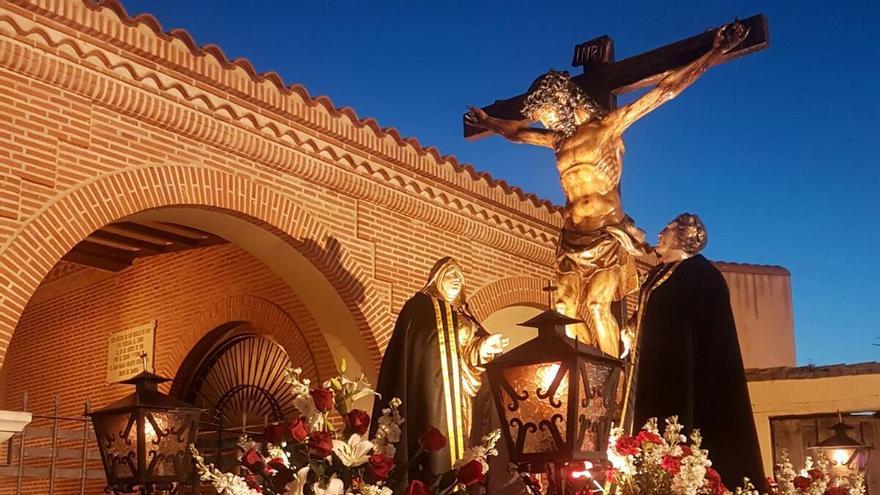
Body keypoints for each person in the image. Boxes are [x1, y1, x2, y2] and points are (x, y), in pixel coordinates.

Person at [465, 22, 749, 359]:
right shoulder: (557, 141)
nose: (549, 123)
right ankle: (582, 372)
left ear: (565, 100)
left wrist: (714, 52)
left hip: (606, 234)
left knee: (599, 306)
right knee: (562, 309)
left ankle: (611, 376)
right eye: (543, 119)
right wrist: (489, 122)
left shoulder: (606, 127)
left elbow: (665, 90)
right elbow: (515, 134)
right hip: (571, 237)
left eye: (550, 114)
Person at [624, 213, 766, 491]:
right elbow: (648, 316)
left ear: (683, 236)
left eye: (667, 228)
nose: (660, 233)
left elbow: (707, 336)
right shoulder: (659, 273)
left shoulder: (702, 276)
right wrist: (630, 331)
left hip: (690, 376)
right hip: (655, 370)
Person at [372, 257, 507, 481]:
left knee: (465, 441)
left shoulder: (465, 316)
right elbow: (424, 352)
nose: (457, 280)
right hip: (435, 393)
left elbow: (466, 356)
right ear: (437, 279)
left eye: (461, 277)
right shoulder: (420, 309)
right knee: (439, 445)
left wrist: (484, 346)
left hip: (462, 393)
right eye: (451, 274)